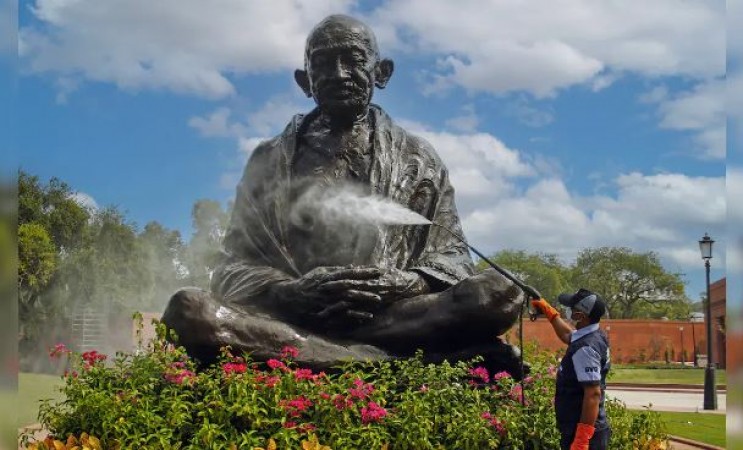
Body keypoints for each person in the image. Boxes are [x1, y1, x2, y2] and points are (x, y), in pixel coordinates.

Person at [162, 14, 528, 378]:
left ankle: (329, 358)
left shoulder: (419, 159)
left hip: (393, 316)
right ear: (305, 81)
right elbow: (230, 268)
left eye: (353, 60)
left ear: (381, 72)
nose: (338, 74)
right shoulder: (269, 159)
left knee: (501, 292)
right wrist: (288, 293)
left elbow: (454, 257)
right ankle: (388, 363)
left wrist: (403, 283)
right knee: (189, 311)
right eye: (322, 64)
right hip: (291, 318)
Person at [531, 289, 611, 450]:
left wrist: (582, 439)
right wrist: (550, 312)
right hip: (586, 429)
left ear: (581, 315)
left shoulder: (585, 348)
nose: (568, 310)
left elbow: (593, 394)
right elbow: (569, 336)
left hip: (583, 434)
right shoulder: (594, 334)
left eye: (572, 308)